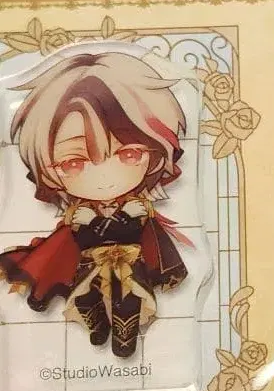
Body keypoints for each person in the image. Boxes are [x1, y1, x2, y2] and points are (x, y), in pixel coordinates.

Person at [0, 51, 189, 358]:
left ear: (155, 154)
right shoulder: (79, 214)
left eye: (129, 154)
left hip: (131, 266)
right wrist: (93, 223)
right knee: (84, 296)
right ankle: (97, 323)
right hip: (90, 265)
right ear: (47, 170)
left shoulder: (139, 208)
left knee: (130, 301)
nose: (104, 178)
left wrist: (119, 220)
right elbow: (82, 239)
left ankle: (125, 335)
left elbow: (136, 234)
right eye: (73, 162)